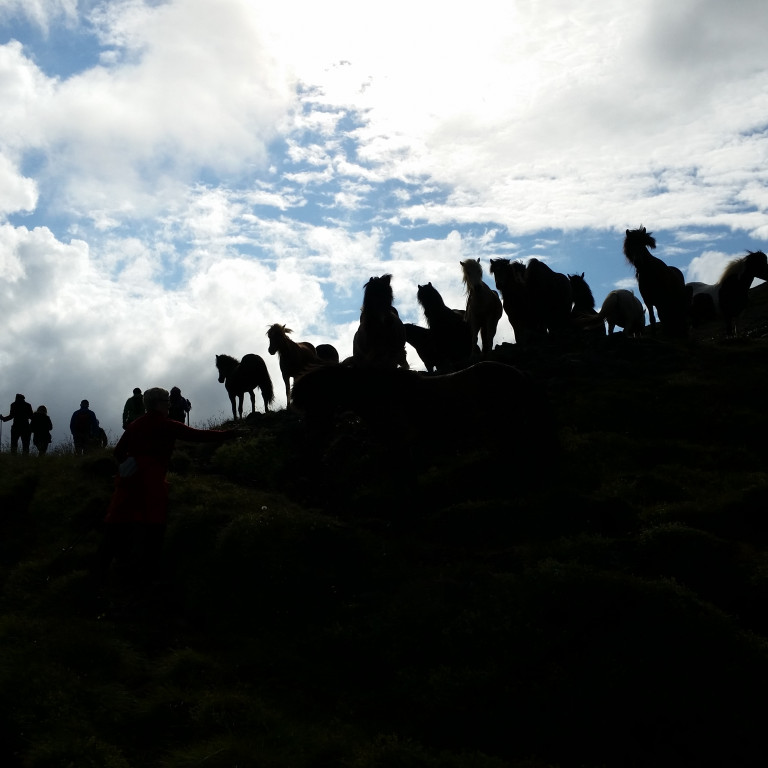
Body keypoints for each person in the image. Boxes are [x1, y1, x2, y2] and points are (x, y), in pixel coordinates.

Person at [98, 387, 242, 593]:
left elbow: (119, 452)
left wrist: (130, 463)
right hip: (152, 484)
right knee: (153, 530)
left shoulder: (134, 426)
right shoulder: (167, 425)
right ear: (158, 403)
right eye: (167, 401)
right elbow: (198, 436)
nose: (170, 405)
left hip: (128, 483)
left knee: (115, 528)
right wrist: (229, 433)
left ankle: (100, 575)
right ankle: (147, 579)